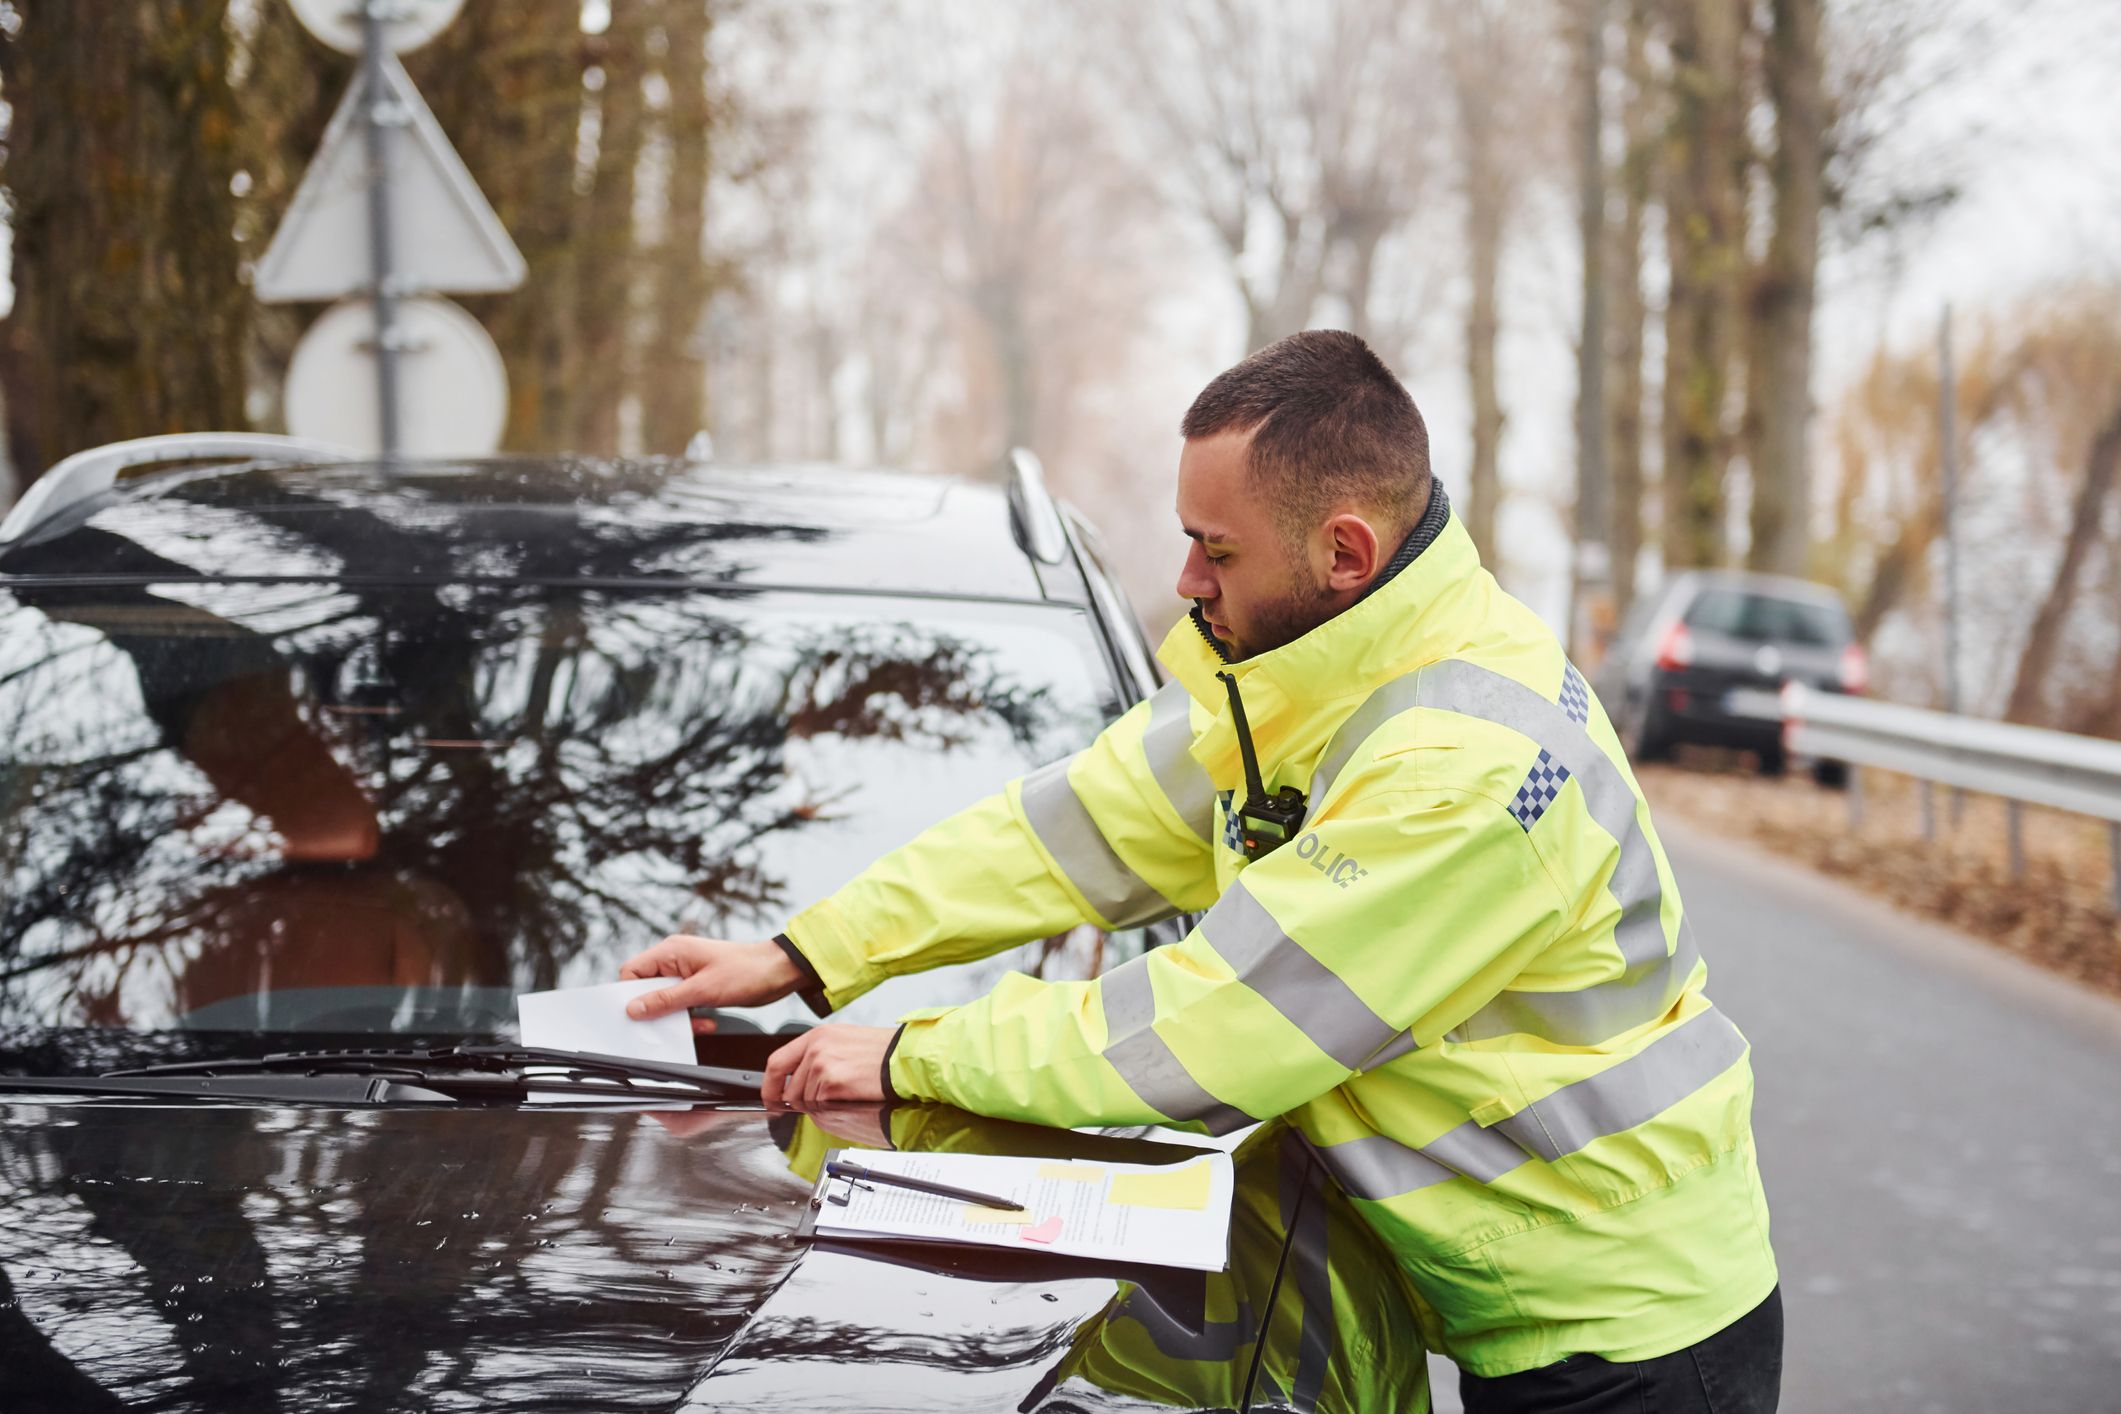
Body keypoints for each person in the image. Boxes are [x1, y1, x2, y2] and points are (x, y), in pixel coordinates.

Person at [619, 330, 1782, 1411]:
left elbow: (1211, 1027)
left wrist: (913, 1049)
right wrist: (797, 953)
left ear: (1344, 551)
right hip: (1521, 1298)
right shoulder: (1311, 681)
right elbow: (1062, 830)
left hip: (1628, 1330)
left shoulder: (1464, 771)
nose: (1184, 577)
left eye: (1214, 547)